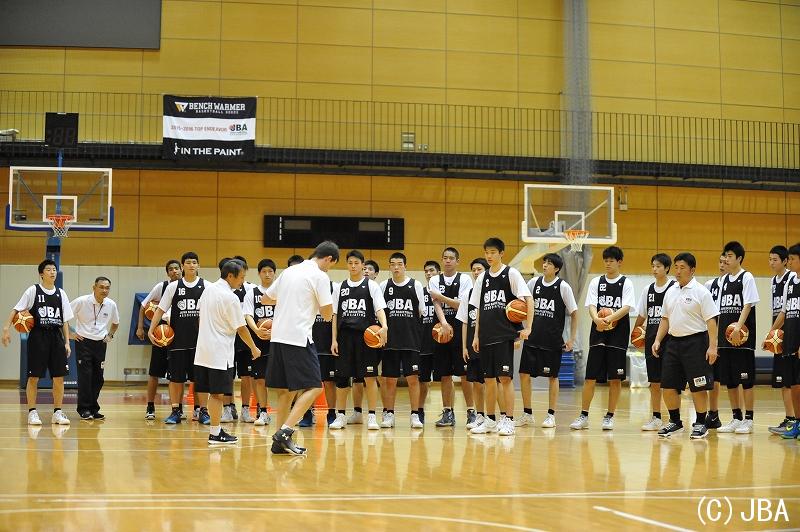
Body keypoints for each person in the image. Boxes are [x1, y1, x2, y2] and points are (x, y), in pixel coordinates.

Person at [266, 241, 338, 455]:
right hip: (298, 337)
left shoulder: (289, 271)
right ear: (328, 259)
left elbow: (266, 298)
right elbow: (327, 315)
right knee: (315, 386)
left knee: (286, 391)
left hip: (278, 337)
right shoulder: (320, 276)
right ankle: (285, 431)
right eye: (331, 265)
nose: (329, 268)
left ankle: (279, 442)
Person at [469, 237, 533, 436]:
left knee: (504, 378)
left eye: (493, 252)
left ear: (501, 253)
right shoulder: (482, 278)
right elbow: (479, 309)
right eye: (486, 252)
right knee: (488, 380)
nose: (489, 256)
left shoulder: (511, 273)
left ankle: (509, 420)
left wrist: (528, 327)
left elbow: (528, 300)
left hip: (504, 334)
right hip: (486, 335)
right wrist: (476, 336)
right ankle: (490, 420)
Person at [194, 259, 261, 445]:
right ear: (230, 276)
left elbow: (200, 318)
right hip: (219, 353)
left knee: (212, 394)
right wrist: (254, 348)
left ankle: (215, 430)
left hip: (203, 352)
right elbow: (241, 328)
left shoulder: (207, 290)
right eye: (241, 277)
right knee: (217, 394)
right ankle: (215, 433)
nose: (242, 281)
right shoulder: (230, 298)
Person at [653, 252, 719, 439]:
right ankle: (675, 422)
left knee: (698, 386)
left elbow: (711, 321)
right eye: (676, 267)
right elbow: (665, 319)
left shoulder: (701, 292)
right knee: (668, 385)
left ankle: (701, 423)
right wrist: (658, 340)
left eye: (682, 267)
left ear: (692, 270)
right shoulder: (671, 291)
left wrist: (712, 347)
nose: (678, 271)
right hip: (673, 343)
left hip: (696, 343)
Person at [570, 246, 635, 431]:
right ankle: (584, 416)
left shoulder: (626, 283)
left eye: (611, 261)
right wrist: (597, 319)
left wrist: (608, 319)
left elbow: (626, 307)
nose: (607, 263)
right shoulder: (596, 282)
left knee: (615, 379)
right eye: (605, 260)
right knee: (590, 377)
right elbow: (591, 305)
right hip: (598, 332)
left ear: (619, 262)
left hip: (618, 335)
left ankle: (609, 416)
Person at [2, 259, 73, 426]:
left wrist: (67, 342)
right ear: (41, 274)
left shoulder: (61, 293)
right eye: (48, 269)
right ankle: (32, 412)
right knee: (33, 377)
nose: (52, 272)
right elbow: (16, 309)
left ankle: (57, 412)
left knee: (59, 377)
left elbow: (65, 320)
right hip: (38, 336)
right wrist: (6, 328)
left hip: (56, 337)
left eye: (54, 269)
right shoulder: (33, 290)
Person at [329, 250, 388, 430]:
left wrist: (384, 326)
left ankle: (372, 416)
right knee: (342, 378)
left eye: (356, 263)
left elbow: (379, 309)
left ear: (363, 265)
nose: (353, 266)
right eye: (350, 263)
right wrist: (334, 340)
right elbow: (334, 315)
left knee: (369, 377)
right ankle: (340, 415)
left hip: (366, 337)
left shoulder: (371, 286)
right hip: (345, 337)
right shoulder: (340, 287)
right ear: (347, 265)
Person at [518, 253, 578, 429]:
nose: (544, 265)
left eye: (549, 263)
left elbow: (574, 313)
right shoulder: (533, 283)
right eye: (544, 262)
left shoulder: (563, 287)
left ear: (557, 268)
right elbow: (521, 305)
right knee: (524, 374)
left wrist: (572, 339)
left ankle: (551, 415)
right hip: (532, 338)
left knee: (553, 377)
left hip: (552, 341)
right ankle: (527, 413)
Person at [148, 252, 207, 425]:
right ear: (183, 266)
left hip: (199, 342)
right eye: (188, 262)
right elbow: (160, 309)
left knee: (200, 379)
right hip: (177, 341)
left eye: (194, 262)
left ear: (198, 265)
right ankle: (175, 411)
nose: (191, 265)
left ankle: (202, 411)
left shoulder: (207, 286)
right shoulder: (173, 287)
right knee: (175, 379)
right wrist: (151, 330)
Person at [717, 241, 760, 434]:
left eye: (730, 256)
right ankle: (736, 417)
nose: (726, 259)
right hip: (725, 339)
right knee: (730, 380)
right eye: (725, 256)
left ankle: (748, 419)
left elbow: (748, 304)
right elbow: (719, 310)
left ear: (739, 258)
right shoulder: (723, 280)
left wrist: (738, 327)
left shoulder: (747, 277)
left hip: (742, 339)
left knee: (746, 380)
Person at [379, 252, 425, 429]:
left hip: (411, 340)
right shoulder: (384, 285)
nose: (396, 267)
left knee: (413, 379)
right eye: (393, 264)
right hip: (390, 341)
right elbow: (380, 312)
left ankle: (415, 415)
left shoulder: (416, 285)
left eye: (399, 264)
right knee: (390, 380)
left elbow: (420, 312)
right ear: (389, 267)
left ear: (405, 266)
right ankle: (389, 414)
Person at [429, 247, 474, 427]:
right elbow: (436, 304)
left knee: (465, 374)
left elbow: (462, 305)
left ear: (457, 261)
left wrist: (440, 296)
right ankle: (448, 412)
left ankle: (471, 411)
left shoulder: (464, 279)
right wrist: (444, 323)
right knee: (445, 374)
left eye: (451, 258)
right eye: (445, 258)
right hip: (442, 330)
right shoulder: (434, 280)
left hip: (460, 329)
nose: (447, 260)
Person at [634, 253, 675, 431]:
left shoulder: (674, 288)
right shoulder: (647, 290)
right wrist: (635, 331)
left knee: (671, 382)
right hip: (651, 339)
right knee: (655, 381)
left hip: (671, 339)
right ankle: (656, 417)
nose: (654, 269)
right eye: (653, 266)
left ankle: (674, 418)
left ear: (667, 268)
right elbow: (642, 315)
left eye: (658, 266)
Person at [137, 259, 182, 420]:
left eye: (176, 268)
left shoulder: (186, 287)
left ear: (181, 270)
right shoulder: (161, 287)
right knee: (154, 372)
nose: (174, 271)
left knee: (177, 375)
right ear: (167, 273)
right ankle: (150, 406)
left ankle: (178, 408)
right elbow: (144, 305)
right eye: (171, 269)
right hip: (162, 332)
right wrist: (140, 327)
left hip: (180, 333)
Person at [71, 276, 120, 420]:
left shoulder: (111, 304)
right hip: (83, 342)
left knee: (98, 378)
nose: (104, 290)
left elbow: (116, 322)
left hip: (100, 344)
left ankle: (93, 408)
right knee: (85, 376)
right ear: (94, 287)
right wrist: (70, 334)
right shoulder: (82, 301)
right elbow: (64, 315)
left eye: (107, 288)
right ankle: (84, 409)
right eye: (101, 287)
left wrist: (110, 335)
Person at [771, 243, 800, 440]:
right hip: (789, 340)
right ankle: (797, 422)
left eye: (793, 259)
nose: (789, 262)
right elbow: (784, 311)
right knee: (793, 385)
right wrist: (771, 332)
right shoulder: (790, 282)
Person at [223, 255, 257, 423]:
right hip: (227, 337)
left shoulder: (251, 289)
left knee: (246, 376)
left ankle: (245, 409)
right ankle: (227, 408)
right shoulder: (223, 291)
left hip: (244, 338)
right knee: (227, 375)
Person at [766, 245, 795, 434]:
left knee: (791, 381)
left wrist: (771, 332)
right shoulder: (773, 281)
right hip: (779, 335)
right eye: (770, 259)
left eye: (775, 259)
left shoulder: (791, 278)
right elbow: (776, 311)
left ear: (785, 261)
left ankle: (793, 419)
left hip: (789, 333)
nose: (771, 263)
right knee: (784, 381)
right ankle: (789, 418)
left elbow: (784, 312)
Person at [244, 258, 276, 426]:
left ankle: (288, 412)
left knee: (282, 380)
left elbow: (288, 314)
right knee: (259, 379)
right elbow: (248, 315)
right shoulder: (252, 293)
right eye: (264, 271)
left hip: (277, 340)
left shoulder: (281, 292)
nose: (267, 274)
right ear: (259, 273)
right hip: (259, 341)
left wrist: (275, 330)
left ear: (275, 273)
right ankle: (263, 412)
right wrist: (257, 330)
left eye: (270, 271)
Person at [457, 258, 489, 430]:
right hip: (472, 345)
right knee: (476, 382)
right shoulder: (467, 294)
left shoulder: (492, 291)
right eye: (474, 270)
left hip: (490, 342)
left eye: (479, 269)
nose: (476, 273)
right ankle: (480, 415)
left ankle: (499, 417)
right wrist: (464, 346)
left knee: (493, 382)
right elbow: (464, 322)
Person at [703, 253, 727, 429]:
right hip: (709, 334)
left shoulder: (739, 283)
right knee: (709, 376)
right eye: (720, 261)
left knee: (723, 378)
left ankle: (739, 416)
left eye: (725, 261)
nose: (722, 265)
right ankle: (711, 414)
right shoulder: (709, 285)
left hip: (727, 335)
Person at [313, 277, 339, 426]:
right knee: (309, 383)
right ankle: (308, 414)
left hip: (328, 344)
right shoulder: (308, 286)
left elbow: (336, 315)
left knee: (329, 382)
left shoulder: (335, 287)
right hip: (310, 342)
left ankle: (332, 412)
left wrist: (335, 340)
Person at [417, 260, 440, 423]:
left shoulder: (443, 294)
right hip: (423, 343)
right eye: (426, 271)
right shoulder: (420, 292)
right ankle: (419, 411)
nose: (428, 273)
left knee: (446, 379)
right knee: (423, 380)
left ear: (438, 273)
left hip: (441, 344)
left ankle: (449, 411)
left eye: (431, 270)